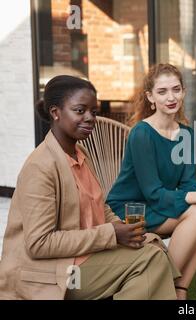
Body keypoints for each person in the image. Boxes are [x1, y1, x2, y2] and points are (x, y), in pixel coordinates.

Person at [0, 75, 179, 300]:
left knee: (153, 249)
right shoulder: (40, 166)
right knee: (149, 262)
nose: (90, 118)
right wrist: (111, 233)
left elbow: (98, 206)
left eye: (93, 112)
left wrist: (121, 227)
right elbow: (40, 244)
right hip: (56, 273)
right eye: (79, 110)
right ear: (56, 112)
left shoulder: (81, 154)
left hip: (85, 256)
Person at [106, 64, 196, 300]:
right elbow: (152, 193)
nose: (171, 97)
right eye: (162, 92)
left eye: (176, 90)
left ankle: (180, 287)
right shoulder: (141, 134)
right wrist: (195, 197)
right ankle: (166, 285)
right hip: (132, 210)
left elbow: (189, 182)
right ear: (150, 97)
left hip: (159, 204)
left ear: (183, 92)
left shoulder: (187, 134)